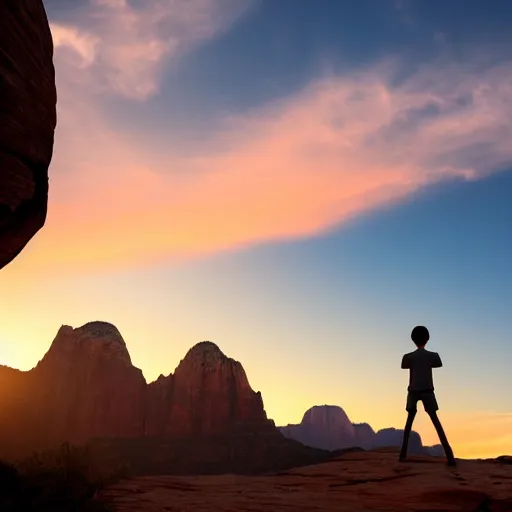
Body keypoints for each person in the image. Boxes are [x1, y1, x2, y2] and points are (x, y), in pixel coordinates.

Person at [400, 325, 456, 466]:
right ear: (428, 339)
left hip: (413, 391)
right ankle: (450, 456)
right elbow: (438, 363)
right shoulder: (433, 356)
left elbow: (403, 365)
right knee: (436, 422)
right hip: (428, 391)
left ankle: (402, 455)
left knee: (408, 424)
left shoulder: (408, 357)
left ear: (412, 339)